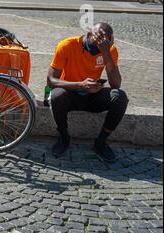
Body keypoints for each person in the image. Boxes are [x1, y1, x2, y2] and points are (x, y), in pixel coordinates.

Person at [47, 22, 129, 163]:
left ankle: (101, 142)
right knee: (56, 96)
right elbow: (51, 80)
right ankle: (64, 138)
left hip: (92, 95)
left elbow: (116, 84)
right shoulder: (67, 45)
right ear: (89, 34)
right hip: (71, 93)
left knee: (120, 97)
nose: (98, 47)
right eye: (97, 42)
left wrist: (106, 53)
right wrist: (80, 85)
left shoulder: (109, 50)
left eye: (104, 43)